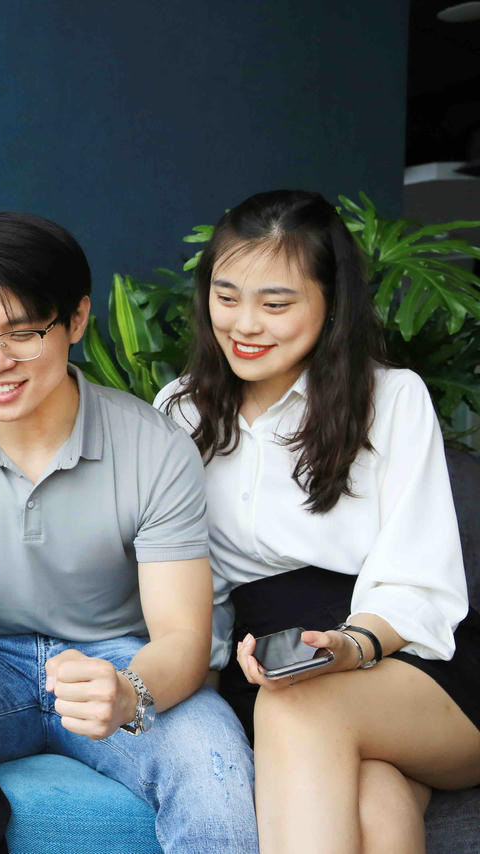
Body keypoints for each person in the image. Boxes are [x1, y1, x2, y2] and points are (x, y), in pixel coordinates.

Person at [0, 211, 258, 854]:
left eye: (22, 333)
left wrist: (130, 692)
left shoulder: (155, 448)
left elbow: (183, 639)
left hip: (118, 659)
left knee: (212, 760)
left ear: (77, 319)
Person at [157, 189, 480, 854]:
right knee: (376, 804)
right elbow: (184, 578)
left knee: (299, 701)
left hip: (406, 661)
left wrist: (350, 648)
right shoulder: (179, 412)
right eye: (226, 296)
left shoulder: (391, 400)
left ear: (331, 302)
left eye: (276, 304)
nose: (245, 324)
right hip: (263, 661)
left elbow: (419, 580)